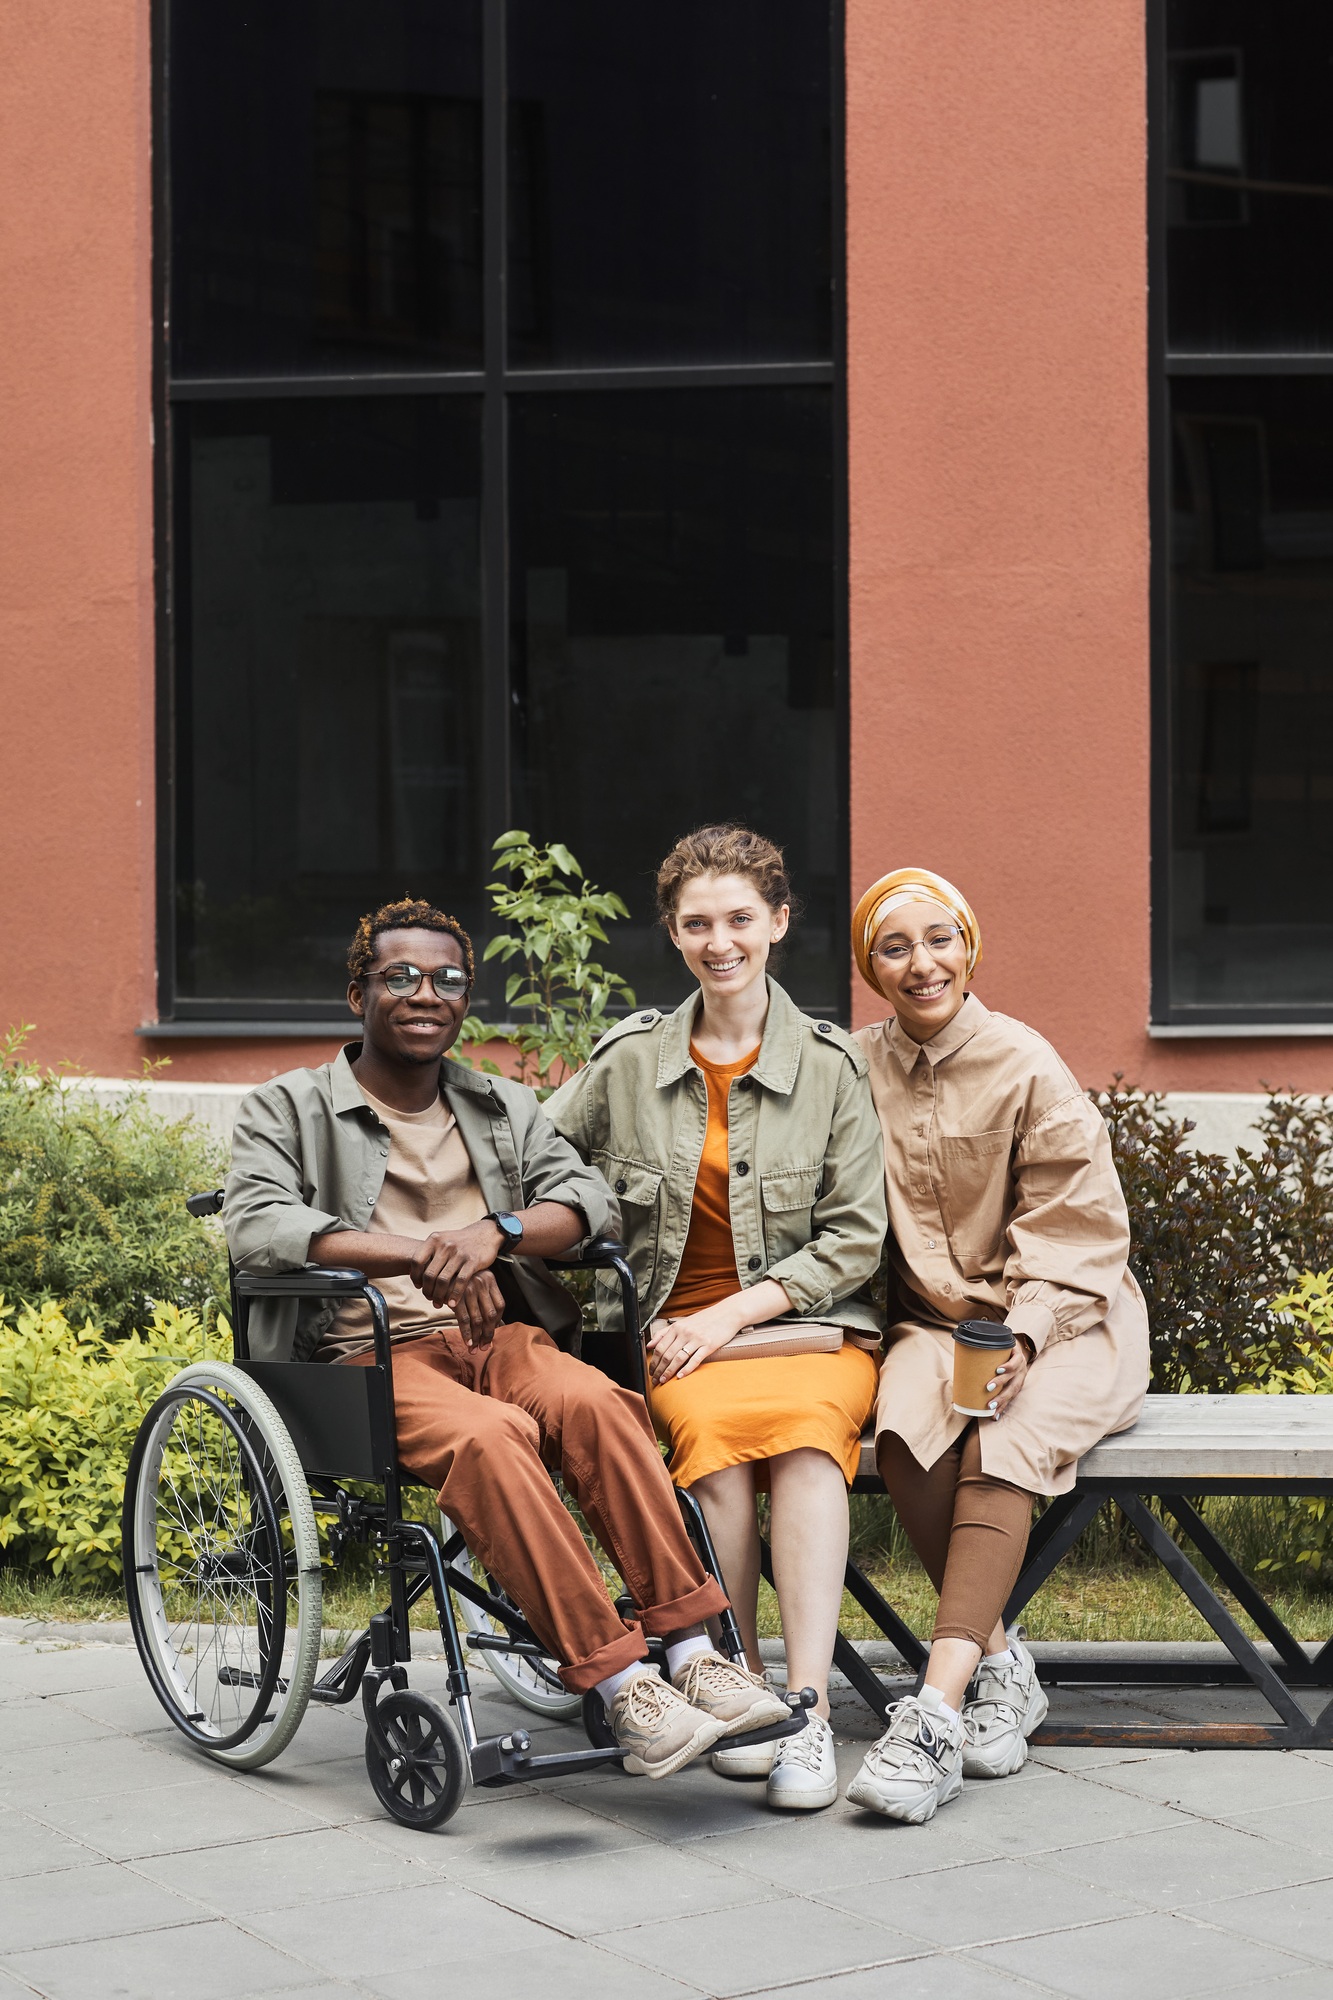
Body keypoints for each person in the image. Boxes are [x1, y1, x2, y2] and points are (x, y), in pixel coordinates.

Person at [223, 895, 789, 1782]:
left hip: (501, 1340)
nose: (424, 994)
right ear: (356, 992)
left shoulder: (501, 1106)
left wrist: (495, 1235)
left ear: (465, 1000)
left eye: (447, 980)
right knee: (494, 1438)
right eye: (398, 976)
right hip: (368, 1356)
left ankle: (693, 1654)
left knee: (598, 1402)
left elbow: (586, 1202)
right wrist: (420, 1255)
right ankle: (621, 1683)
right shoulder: (287, 1109)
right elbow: (258, 1226)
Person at [548, 827, 887, 1811]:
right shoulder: (628, 1060)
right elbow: (531, 1153)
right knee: (718, 1445)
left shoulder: (829, 1066)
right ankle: (739, 1696)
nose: (719, 939)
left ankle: (810, 1710)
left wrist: (730, 1314)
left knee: (809, 1444)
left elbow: (855, 1239)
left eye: (739, 917)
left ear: (778, 922)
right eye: (696, 922)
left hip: (806, 1330)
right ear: (672, 932)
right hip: (672, 1333)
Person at [841, 868, 1150, 1823]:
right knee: (901, 1430)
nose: (919, 963)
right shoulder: (852, 1069)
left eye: (938, 940)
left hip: (1070, 1317)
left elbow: (1080, 1225)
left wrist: (1025, 1332)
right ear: (871, 969)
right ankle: (1002, 1660)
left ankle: (931, 1713)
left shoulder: (1025, 1062)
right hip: (936, 1323)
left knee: (1001, 1444)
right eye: (894, 947)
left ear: (968, 947)